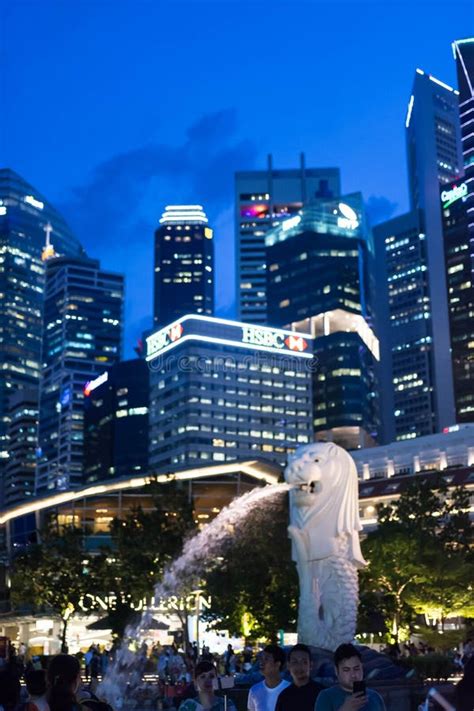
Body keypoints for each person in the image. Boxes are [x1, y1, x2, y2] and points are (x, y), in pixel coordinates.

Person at [315, 643, 386, 711]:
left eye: (356, 669)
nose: (353, 675)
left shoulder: (375, 697)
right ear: (336, 671)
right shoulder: (326, 697)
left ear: (362, 668)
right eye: (346, 670)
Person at [274, 644, 323, 711]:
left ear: (311, 665)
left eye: (304, 662)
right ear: (288, 666)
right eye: (295, 662)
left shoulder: (322, 694)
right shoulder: (284, 696)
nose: (299, 666)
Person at [247, 645, 290, 711]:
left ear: (277, 664)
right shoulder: (254, 690)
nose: (261, 663)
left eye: (266, 659)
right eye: (261, 658)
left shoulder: (290, 689)